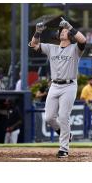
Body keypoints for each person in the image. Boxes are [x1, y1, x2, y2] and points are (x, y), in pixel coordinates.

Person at [28, 18, 86, 158]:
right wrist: (37, 32)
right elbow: (33, 45)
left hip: (69, 85)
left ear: (70, 35)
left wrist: (70, 26)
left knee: (64, 116)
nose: (62, 32)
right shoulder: (51, 48)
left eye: (65, 31)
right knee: (49, 118)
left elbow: (83, 40)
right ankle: (66, 134)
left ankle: (64, 148)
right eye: (62, 30)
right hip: (54, 85)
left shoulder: (75, 49)